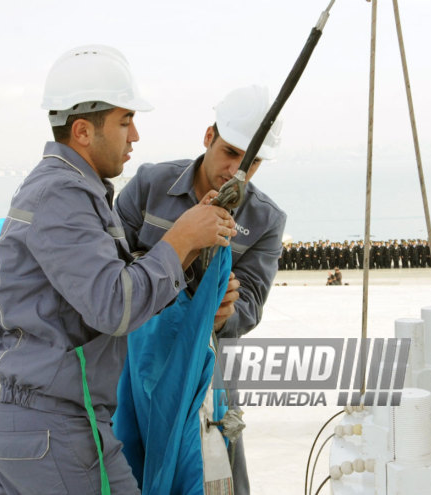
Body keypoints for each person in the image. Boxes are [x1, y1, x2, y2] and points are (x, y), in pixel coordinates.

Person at [0, 45, 236, 495]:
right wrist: (182, 238)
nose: (135, 136)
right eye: (125, 120)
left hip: (29, 422)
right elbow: (114, 305)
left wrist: (187, 262)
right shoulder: (62, 194)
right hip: (50, 425)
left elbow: (108, 289)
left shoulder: (67, 188)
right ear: (83, 131)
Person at [115, 84, 286, 495]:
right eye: (229, 152)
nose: (236, 171)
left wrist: (226, 312)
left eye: (252, 161)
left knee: (217, 468)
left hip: (205, 369)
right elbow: (108, 266)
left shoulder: (265, 220)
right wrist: (178, 245)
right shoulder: (149, 185)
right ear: (209, 137)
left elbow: (251, 305)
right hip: (133, 363)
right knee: (126, 460)